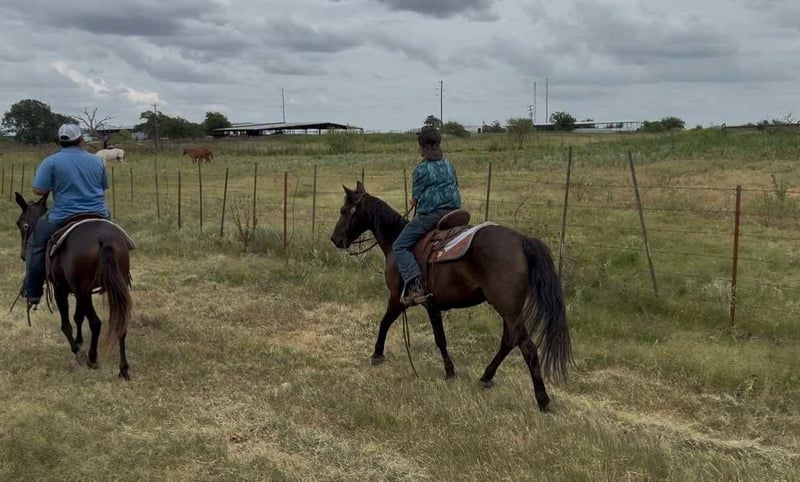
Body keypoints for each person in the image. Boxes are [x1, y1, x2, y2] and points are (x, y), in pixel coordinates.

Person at [22, 123, 110, 308]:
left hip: (63, 214)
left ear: (60, 142)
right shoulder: (97, 160)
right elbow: (103, 187)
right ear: (81, 140)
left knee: (34, 244)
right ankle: (122, 276)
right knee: (115, 238)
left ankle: (33, 291)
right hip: (99, 213)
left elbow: (38, 190)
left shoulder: (51, 161)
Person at [392, 126, 462, 306]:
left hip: (433, 215)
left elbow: (414, 200)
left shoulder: (421, 169)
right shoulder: (449, 164)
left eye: (419, 145)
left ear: (423, 147)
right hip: (456, 212)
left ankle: (416, 285)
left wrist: (413, 201)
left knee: (399, 245)